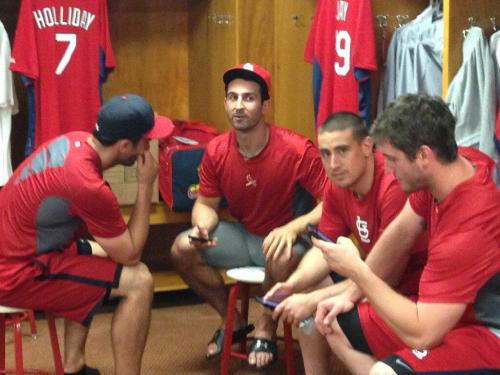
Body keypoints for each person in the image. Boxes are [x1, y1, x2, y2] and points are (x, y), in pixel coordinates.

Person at [314, 93, 500, 375]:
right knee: (335, 322)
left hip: (486, 331)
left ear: (423, 156)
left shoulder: (470, 228)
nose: (386, 168)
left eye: (392, 159)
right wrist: (350, 294)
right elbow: (399, 234)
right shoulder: (452, 169)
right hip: (448, 312)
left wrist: (356, 270)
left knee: (385, 373)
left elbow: (423, 334)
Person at [0, 94, 174, 375]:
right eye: (147, 139)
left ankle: (74, 366)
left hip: (23, 247)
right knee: (138, 280)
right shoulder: (86, 183)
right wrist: (145, 186)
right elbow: (131, 254)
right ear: (125, 146)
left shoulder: (75, 141)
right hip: (16, 271)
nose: (150, 145)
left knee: (101, 258)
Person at [170, 62, 328, 369]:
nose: (239, 106)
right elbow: (205, 203)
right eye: (233, 97)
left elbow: (331, 205)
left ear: (265, 105)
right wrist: (201, 226)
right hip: (246, 236)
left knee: (279, 252)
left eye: (249, 98)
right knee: (181, 248)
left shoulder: (296, 149)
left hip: (290, 242)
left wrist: (293, 228)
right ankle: (236, 322)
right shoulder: (216, 150)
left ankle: (266, 326)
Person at [264, 112, 428, 374]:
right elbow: (323, 250)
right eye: (325, 154)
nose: (333, 163)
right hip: (377, 280)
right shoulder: (338, 184)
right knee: (312, 290)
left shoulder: (393, 185)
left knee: (327, 315)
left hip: (417, 296)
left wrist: (314, 301)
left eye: (342, 151)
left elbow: (386, 277)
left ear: (366, 146)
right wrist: (293, 284)